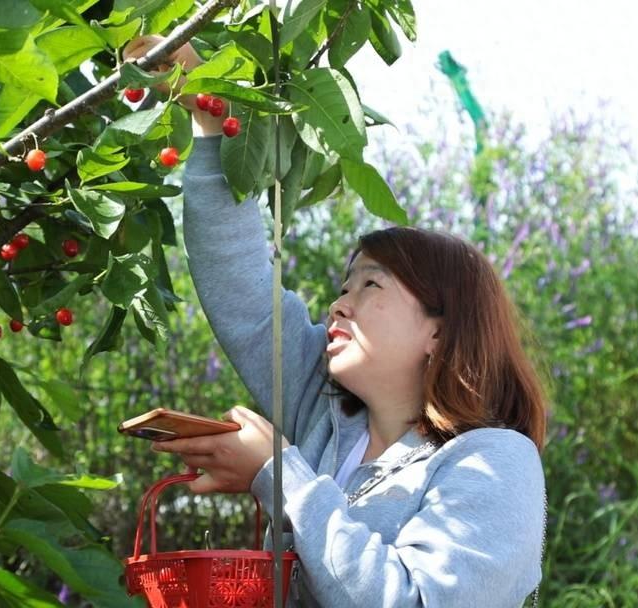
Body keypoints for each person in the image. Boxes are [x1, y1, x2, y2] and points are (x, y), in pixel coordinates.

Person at [125, 37, 548, 608]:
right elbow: (245, 293)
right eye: (343, 287)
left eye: (371, 285)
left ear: (440, 330)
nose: (338, 305)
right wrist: (208, 114)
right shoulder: (326, 415)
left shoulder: (494, 461)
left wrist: (279, 474)